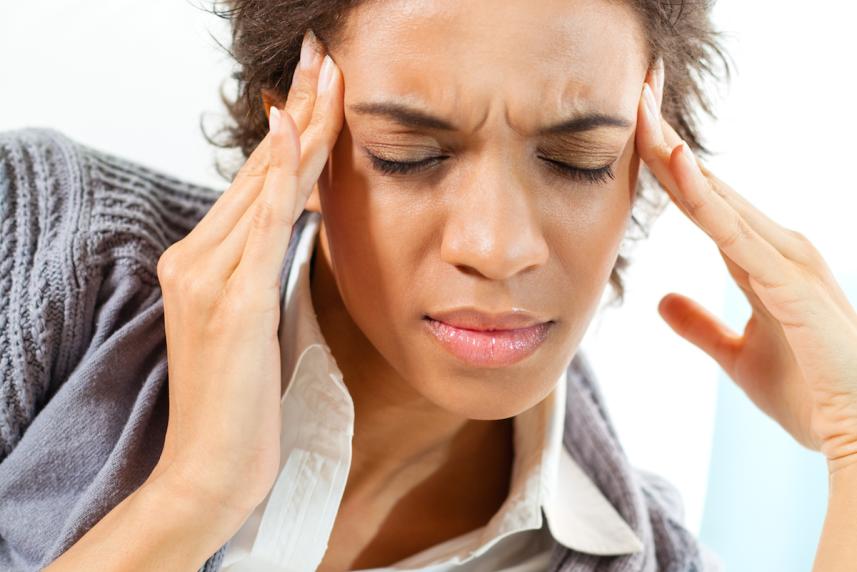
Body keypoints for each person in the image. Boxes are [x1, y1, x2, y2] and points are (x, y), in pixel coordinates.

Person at [1, 0, 856, 570]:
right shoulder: (40, 249)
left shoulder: (650, 557)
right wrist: (191, 496)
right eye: (408, 154)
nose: (497, 248)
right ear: (294, 135)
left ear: (645, 166)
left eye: (577, 160)